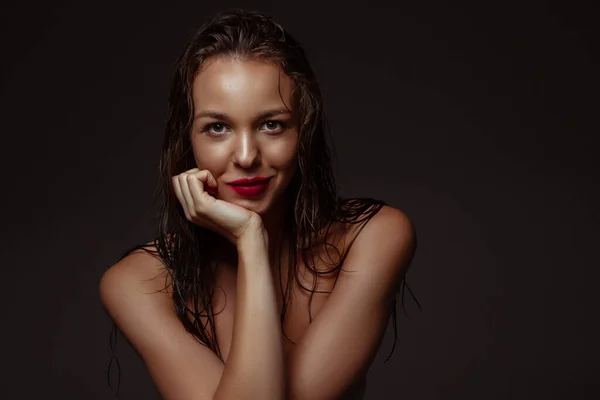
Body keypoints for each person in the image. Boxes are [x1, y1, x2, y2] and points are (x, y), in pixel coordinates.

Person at [99, 8, 418, 400]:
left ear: (304, 131)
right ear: (189, 140)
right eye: (218, 127)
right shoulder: (139, 282)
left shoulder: (373, 236)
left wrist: (250, 240)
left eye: (272, 124)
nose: (247, 156)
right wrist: (251, 239)